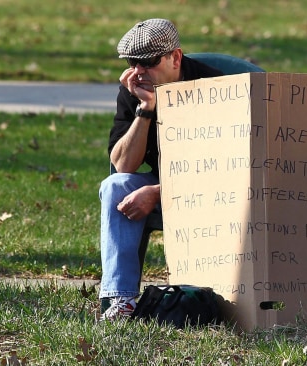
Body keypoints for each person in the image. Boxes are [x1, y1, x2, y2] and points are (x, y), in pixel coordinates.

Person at [99, 18, 223, 320]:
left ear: (175, 57)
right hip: (166, 176)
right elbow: (123, 165)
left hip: (215, 181)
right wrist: (145, 109)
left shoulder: (214, 87)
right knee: (115, 186)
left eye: (149, 62)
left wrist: (158, 192)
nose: (139, 71)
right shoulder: (135, 88)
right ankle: (121, 299)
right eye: (133, 63)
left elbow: (225, 167)